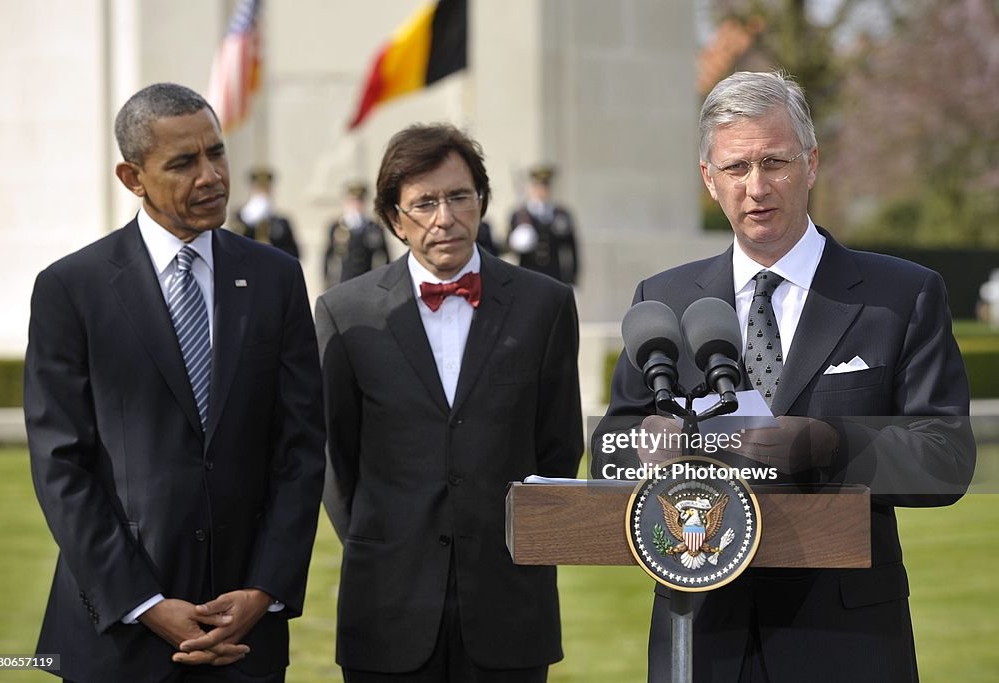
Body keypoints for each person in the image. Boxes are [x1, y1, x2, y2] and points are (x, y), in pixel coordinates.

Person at [593, 71, 975, 683]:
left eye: (775, 161)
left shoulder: (902, 295)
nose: (757, 187)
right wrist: (640, 450)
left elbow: (946, 456)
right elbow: (607, 448)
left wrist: (830, 445)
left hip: (846, 640)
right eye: (736, 168)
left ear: (812, 163)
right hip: (700, 631)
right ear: (708, 180)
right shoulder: (661, 300)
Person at [24, 83, 326, 683]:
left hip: (246, 634)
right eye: (184, 163)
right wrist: (144, 604)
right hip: (118, 636)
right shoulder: (71, 288)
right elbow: (61, 464)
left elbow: (300, 449)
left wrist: (265, 589)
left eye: (217, 154)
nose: (211, 175)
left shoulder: (276, 278)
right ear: (132, 177)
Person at [315, 124, 583, 682]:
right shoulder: (347, 312)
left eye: (459, 197)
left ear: (482, 201)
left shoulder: (545, 306)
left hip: (509, 605)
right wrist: (388, 541)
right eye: (424, 203)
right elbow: (334, 457)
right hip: (386, 605)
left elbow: (557, 448)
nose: (444, 217)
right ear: (393, 218)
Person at [507, 164, 579, 286]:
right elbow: (507, 246)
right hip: (527, 276)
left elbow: (572, 248)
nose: (541, 190)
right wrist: (516, 241)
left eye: (545, 186)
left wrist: (572, 278)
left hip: (555, 276)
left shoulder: (561, 214)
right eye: (537, 186)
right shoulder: (519, 214)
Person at [323, 180, 389, 286]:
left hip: (368, 281)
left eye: (360, 201)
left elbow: (386, 257)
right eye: (353, 201)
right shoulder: (338, 227)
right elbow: (327, 257)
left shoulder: (374, 228)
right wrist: (327, 282)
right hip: (344, 282)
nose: (356, 205)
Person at [230, 166, 301, 258]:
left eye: (266, 188)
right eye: (259, 188)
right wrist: (248, 220)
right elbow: (235, 244)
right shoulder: (240, 217)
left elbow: (294, 253)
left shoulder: (282, 222)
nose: (263, 193)